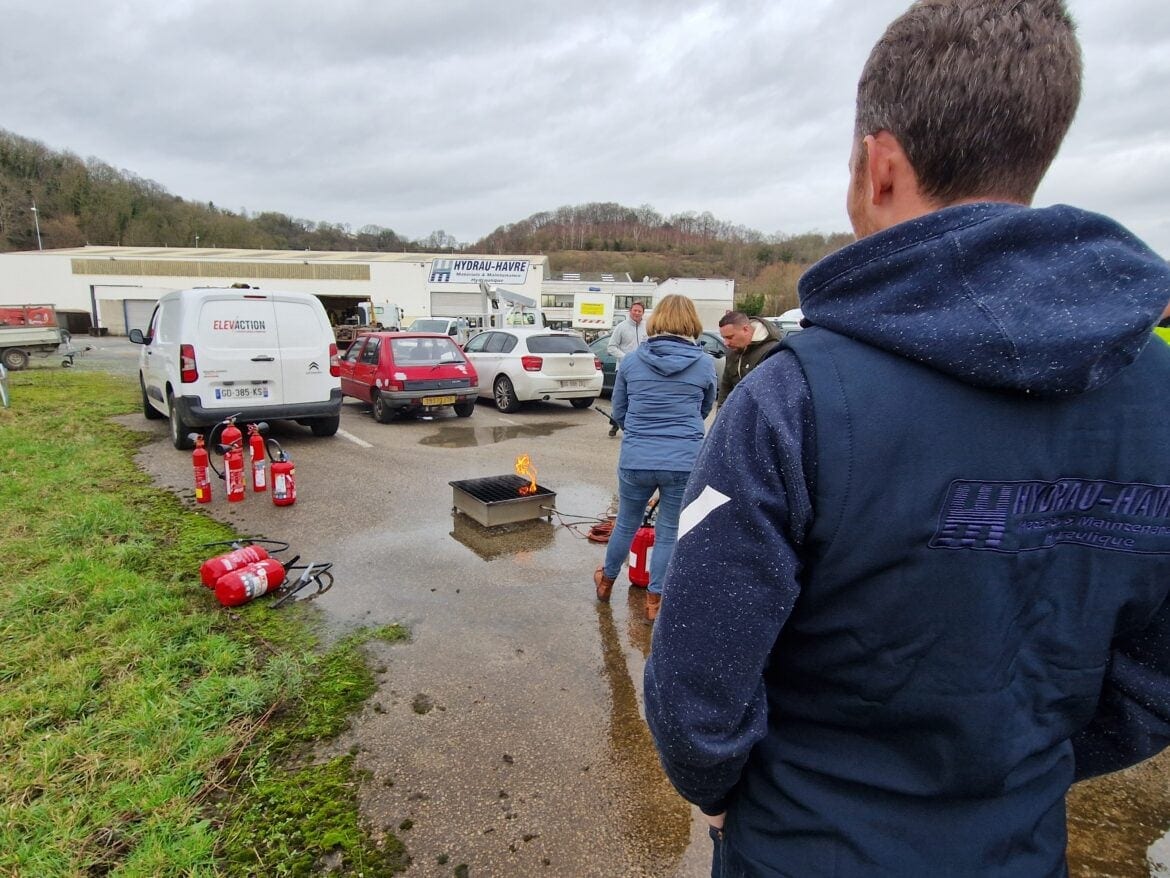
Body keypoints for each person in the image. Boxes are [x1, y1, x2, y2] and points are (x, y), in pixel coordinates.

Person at [644, 3, 1170, 877]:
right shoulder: (1157, 392)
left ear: (878, 166)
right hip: (1017, 847)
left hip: (800, 849)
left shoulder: (793, 397)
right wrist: (1020, 770)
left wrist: (731, 789)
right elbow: (1154, 682)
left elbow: (697, 689)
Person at [594, 294, 716, 622]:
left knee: (625, 523)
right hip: (683, 460)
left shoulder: (633, 362)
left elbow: (618, 411)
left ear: (655, 320)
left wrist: (639, 428)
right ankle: (655, 601)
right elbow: (705, 408)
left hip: (637, 457)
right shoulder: (704, 363)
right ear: (691, 322)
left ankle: (606, 582)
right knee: (669, 530)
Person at [716, 311, 782, 404]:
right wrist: (721, 413)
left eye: (730, 337)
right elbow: (726, 387)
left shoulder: (771, 351)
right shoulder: (733, 351)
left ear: (746, 329)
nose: (726, 343)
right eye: (724, 338)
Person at [605, 302, 649, 435]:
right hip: (624, 369)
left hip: (642, 369)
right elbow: (611, 347)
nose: (637, 313)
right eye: (634, 310)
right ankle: (615, 424)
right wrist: (626, 358)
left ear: (643, 313)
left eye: (639, 311)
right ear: (630, 311)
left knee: (636, 397)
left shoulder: (647, 327)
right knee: (621, 397)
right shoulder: (621, 327)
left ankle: (634, 424)